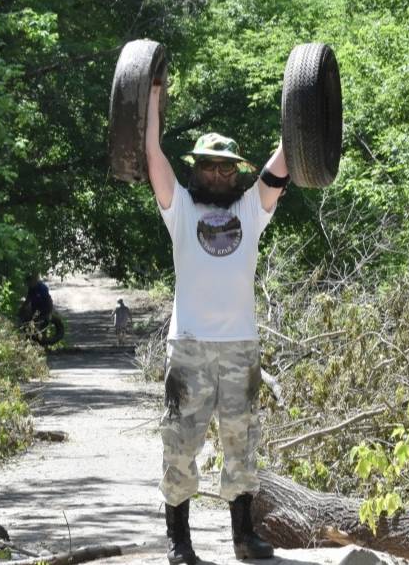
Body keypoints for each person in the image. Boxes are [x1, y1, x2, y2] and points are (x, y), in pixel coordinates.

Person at [144, 79, 288, 564]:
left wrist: (304, 105)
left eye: (227, 168)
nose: (218, 175)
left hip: (240, 348)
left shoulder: (252, 210)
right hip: (188, 347)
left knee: (242, 444)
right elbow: (153, 156)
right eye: (208, 166)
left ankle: (244, 540)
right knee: (181, 444)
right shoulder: (180, 210)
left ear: (237, 174)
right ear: (197, 171)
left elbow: (285, 159)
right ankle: (179, 543)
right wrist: (150, 100)